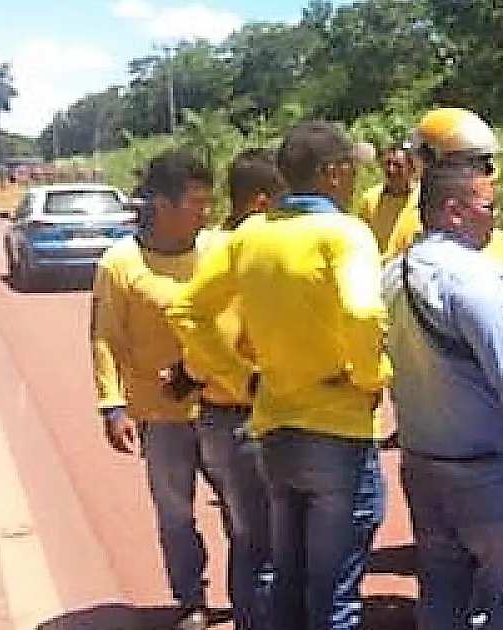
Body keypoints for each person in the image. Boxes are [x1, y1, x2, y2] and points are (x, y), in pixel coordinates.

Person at [167, 121, 391, 630]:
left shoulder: (252, 234)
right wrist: (370, 377)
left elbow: (187, 311)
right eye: (351, 168)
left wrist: (242, 378)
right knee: (333, 594)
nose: (355, 178)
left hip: (274, 426)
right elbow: (362, 312)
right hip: (338, 430)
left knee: (287, 580)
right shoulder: (344, 232)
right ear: (333, 173)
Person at [383, 154, 503, 630]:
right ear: (454, 211)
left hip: (425, 464)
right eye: (488, 206)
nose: (495, 216)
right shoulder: (475, 279)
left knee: (442, 595)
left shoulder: (394, 275)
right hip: (493, 473)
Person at [90, 149, 230, 630]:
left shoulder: (220, 249)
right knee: (175, 514)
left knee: (244, 511)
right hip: (161, 415)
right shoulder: (120, 263)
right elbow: (105, 336)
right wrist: (112, 405)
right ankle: (191, 600)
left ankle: (251, 598)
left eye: (209, 201)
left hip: (224, 405)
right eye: (196, 203)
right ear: (163, 205)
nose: (205, 212)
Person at [159, 147, 285, 629]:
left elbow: (198, 341)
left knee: (247, 537)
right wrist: (249, 383)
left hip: (219, 415)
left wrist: (193, 375)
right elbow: (222, 334)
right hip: (243, 417)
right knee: (263, 543)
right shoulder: (244, 253)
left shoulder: (212, 247)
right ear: (261, 201)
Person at [378, 108, 503, 294]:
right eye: (480, 165)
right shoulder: (411, 226)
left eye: (487, 164)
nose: (490, 174)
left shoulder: (496, 237)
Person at [354, 140, 420, 250]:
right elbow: (360, 237)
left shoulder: (424, 199)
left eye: (398, 165)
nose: (391, 169)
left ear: (412, 169)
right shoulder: (370, 198)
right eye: (388, 163)